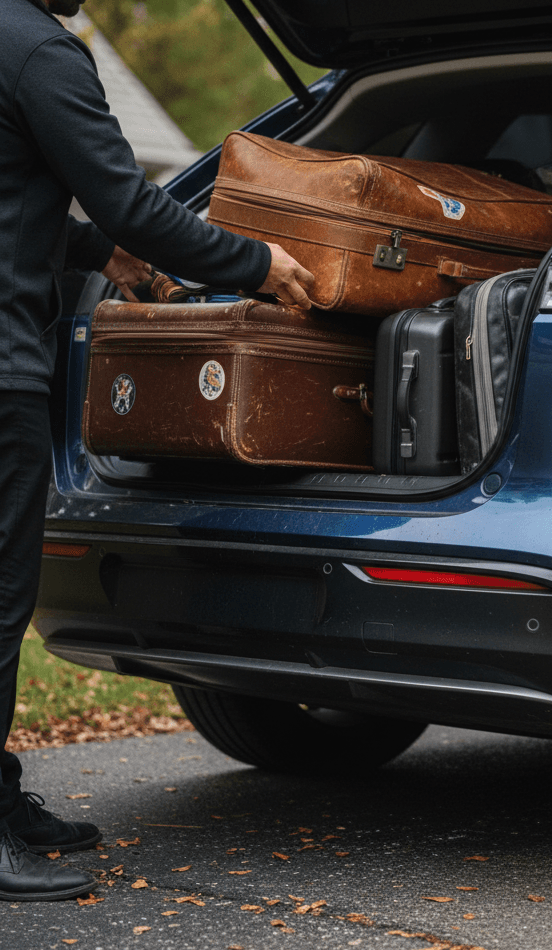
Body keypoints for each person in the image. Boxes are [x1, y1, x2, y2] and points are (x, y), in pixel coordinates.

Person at [0, 0, 314, 900]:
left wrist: (107, 254)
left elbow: (42, 206)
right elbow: (130, 196)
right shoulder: (41, 52)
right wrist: (253, 264)